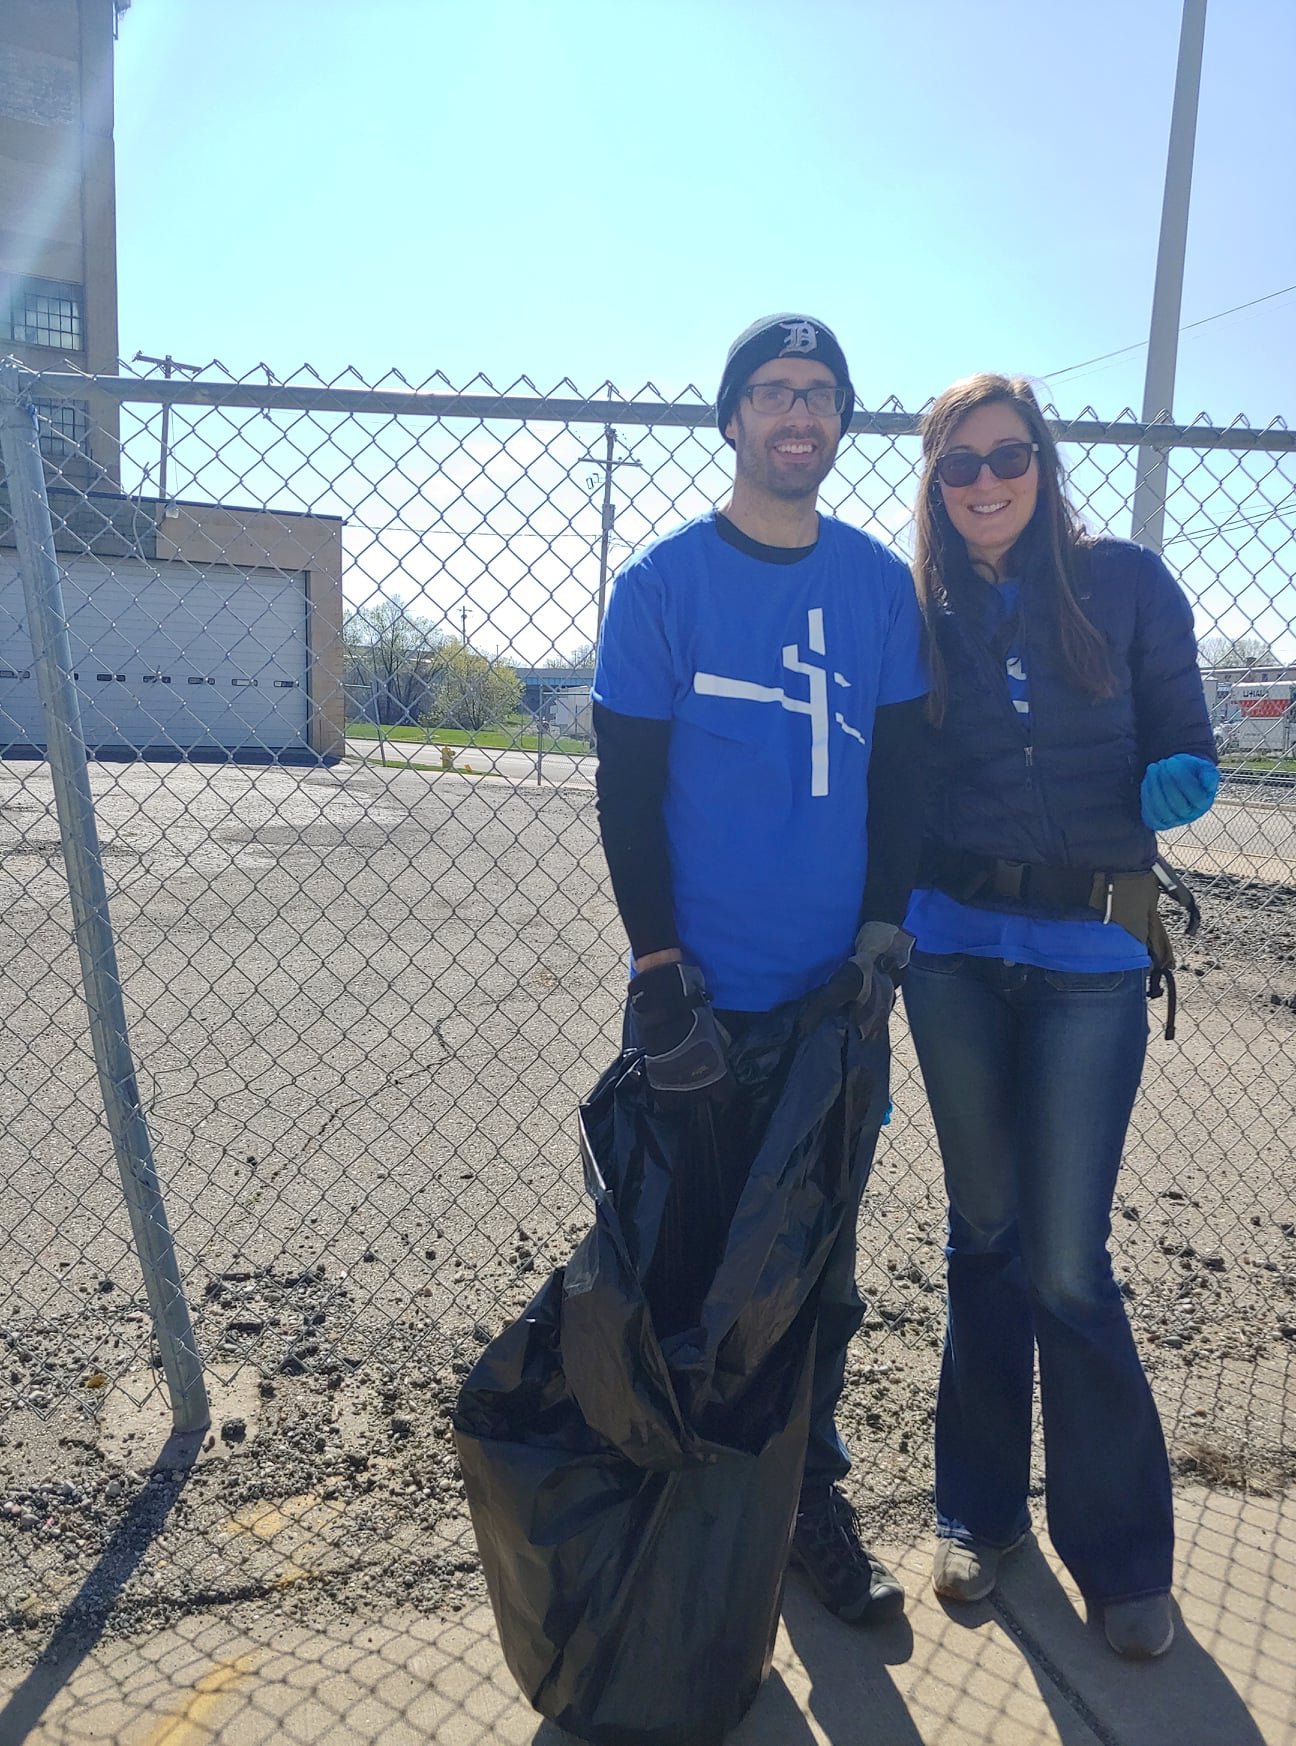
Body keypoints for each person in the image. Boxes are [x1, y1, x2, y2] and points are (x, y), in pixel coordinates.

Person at [592, 313, 928, 1626]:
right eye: (775, 391)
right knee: (682, 1274)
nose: (801, 414)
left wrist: (882, 935)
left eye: (824, 395)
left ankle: (801, 1505)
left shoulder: (876, 588)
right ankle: (677, 1515)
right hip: (704, 1008)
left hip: (834, 1005)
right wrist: (660, 967)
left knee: (821, 1278)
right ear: (730, 418)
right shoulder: (664, 586)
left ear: (841, 426)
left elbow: (901, 773)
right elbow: (626, 790)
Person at [902, 373, 1219, 1659]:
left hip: (1091, 951)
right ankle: (978, 1514)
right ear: (934, 482)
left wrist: (1171, 778)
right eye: (959, 463)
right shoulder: (916, 609)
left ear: (1045, 461)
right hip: (952, 955)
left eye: (1007, 455)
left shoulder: (1129, 583)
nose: (985, 480)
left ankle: (1125, 1556)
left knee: (1068, 1262)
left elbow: (1187, 742)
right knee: (983, 1237)